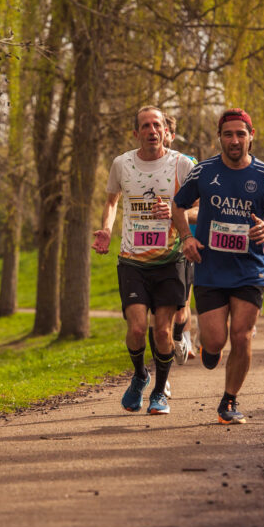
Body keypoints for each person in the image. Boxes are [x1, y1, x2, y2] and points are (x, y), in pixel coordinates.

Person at [171, 108, 264, 424]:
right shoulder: (204, 171)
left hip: (249, 268)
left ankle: (229, 400)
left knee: (242, 335)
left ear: (251, 136)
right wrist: (186, 237)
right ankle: (209, 347)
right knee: (214, 342)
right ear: (220, 138)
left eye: (240, 134)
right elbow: (178, 205)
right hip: (210, 268)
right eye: (228, 134)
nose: (235, 140)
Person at [93, 106, 195, 415]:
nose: (152, 130)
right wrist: (106, 229)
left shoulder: (181, 164)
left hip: (170, 259)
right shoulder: (121, 164)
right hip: (132, 260)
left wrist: (175, 213)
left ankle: (159, 393)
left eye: (157, 125)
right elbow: (112, 201)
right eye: (146, 126)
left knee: (162, 331)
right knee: (137, 329)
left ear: (166, 130)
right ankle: (140, 375)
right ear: (136, 133)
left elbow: (200, 209)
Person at [164, 115, 198, 364]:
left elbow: (199, 206)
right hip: (152, 247)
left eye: (165, 130)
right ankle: (168, 345)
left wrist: (177, 218)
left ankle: (183, 337)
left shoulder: (188, 164)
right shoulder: (137, 165)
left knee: (183, 300)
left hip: (185, 241)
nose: (159, 134)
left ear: (172, 135)